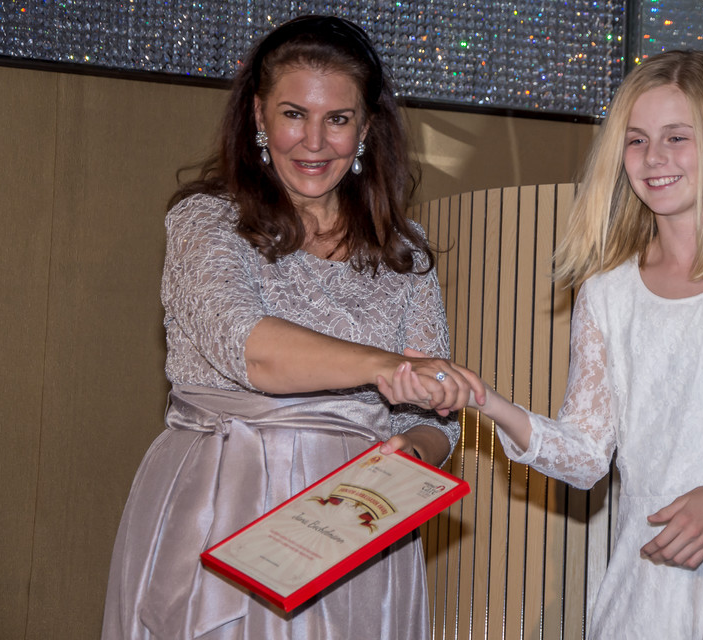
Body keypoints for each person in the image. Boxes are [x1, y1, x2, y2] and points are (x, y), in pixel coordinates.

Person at [389, 50, 703, 638]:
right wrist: (485, 401)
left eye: (677, 137)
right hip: (644, 589)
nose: (654, 157)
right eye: (637, 140)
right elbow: (586, 456)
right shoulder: (606, 291)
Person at [101, 15, 484, 640]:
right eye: (294, 114)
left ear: (366, 127)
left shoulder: (404, 250)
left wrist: (412, 454)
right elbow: (252, 351)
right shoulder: (206, 222)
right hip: (224, 506)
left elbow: (434, 419)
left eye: (338, 119)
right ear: (259, 114)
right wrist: (386, 366)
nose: (314, 141)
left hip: (358, 524)